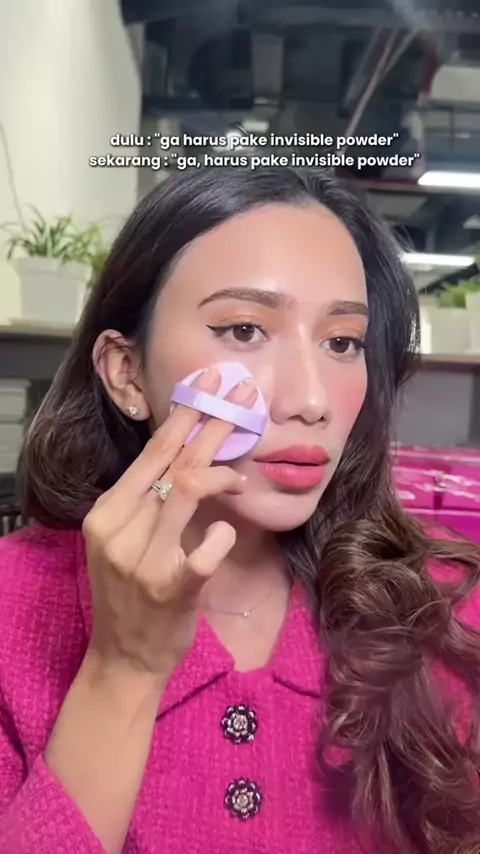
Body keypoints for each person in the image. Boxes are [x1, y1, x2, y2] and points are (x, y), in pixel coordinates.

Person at [0, 166, 479, 854]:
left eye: (342, 342)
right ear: (127, 372)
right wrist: (124, 670)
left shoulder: (444, 604)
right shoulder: (13, 604)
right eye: (245, 330)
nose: (310, 400)